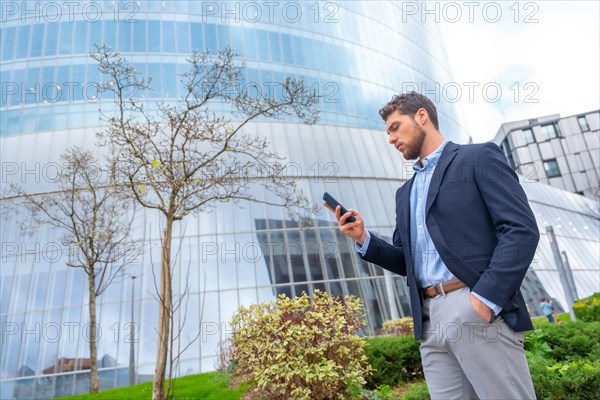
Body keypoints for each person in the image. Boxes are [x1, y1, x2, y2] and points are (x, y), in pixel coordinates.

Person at [324, 92, 540, 399]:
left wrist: (484, 301)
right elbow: (405, 260)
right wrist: (362, 237)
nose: (391, 138)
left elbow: (521, 230)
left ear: (422, 116)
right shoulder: (405, 193)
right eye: (388, 132)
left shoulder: (477, 158)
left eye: (395, 127)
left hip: (473, 306)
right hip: (429, 322)